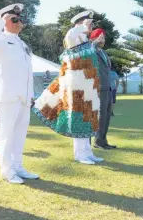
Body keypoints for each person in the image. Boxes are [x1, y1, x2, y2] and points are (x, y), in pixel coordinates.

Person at [32, 10, 104, 165]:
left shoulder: (85, 39)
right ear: (80, 23)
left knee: (89, 119)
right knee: (78, 119)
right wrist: (81, 26)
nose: (91, 26)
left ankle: (87, 151)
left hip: (88, 86)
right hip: (77, 87)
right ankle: (80, 154)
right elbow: (70, 36)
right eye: (89, 23)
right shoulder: (72, 37)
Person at [0, 4, 39, 184]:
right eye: (14, 19)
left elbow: (27, 72)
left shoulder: (21, 43)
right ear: (5, 21)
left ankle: (18, 166)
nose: (18, 22)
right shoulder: (0, 39)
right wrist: (1, 21)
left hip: (23, 97)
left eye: (19, 19)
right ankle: (7, 170)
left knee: (20, 134)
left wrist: (30, 95)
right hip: (7, 96)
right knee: (6, 135)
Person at [90, 28, 117, 149]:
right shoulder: (92, 50)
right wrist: (94, 43)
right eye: (100, 37)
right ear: (94, 38)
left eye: (104, 37)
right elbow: (89, 48)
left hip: (108, 87)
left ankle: (103, 140)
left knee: (106, 116)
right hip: (99, 87)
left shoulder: (103, 53)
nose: (103, 39)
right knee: (100, 116)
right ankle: (98, 141)